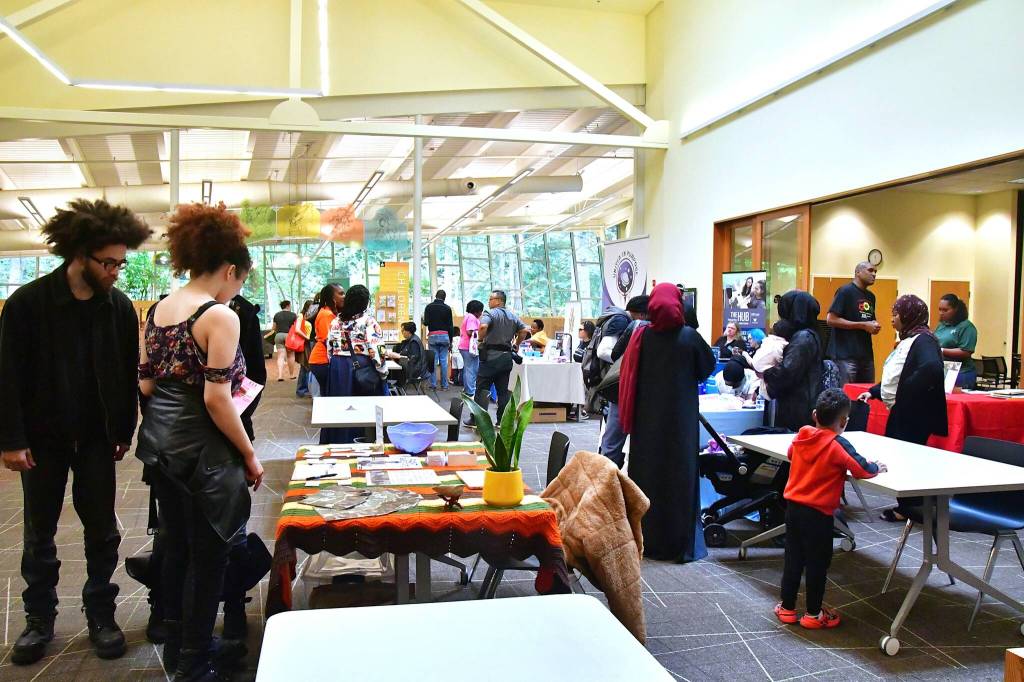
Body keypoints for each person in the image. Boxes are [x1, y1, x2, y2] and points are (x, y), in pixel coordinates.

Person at [0, 199, 151, 666]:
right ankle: (38, 620)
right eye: (107, 263)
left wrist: (124, 428)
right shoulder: (28, 303)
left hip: (96, 439)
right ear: (79, 255)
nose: (115, 272)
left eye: (120, 264)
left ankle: (101, 615)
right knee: (39, 531)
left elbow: (128, 372)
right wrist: (10, 438)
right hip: (41, 440)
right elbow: (6, 374)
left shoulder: (120, 307)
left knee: (102, 530)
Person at [136, 203, 263, 680]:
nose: (238, 290)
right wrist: (249, 456)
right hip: (205, 455)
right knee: (209, 558)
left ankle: (177, 648)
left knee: (176, 547)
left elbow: (146, 385)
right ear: (230, 270)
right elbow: (215, 399)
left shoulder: (159, 310)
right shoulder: (219, 316)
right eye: (241, 281)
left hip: (159, 448)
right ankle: (195, 662)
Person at [617, 283, 715, 562]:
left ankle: (646, 538)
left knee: (647, 476)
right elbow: (706, 368)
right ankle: (679, 542)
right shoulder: (689, 337)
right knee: (679, 477)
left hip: (646, 421)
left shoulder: (641, 338)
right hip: (681, 421)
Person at [775, 389, 885, 629]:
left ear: (815, 414)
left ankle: (787, 608)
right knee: (817, 564)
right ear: (844, 421)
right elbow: (861, 469)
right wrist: (877, 466)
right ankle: (813, 615)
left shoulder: (802, 435)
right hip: (819, 515)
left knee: (793, 559)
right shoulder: (838, 444)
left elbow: (792, 454)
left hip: (793, 509)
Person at [324, 285, 387, 443]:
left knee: (340, 409)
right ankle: (361, 442)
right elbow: (377, 351)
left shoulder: (335, 321)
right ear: (365, 303)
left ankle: (339, 443)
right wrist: (382, 372)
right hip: (361, 367)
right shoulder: (369, 322)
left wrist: (337, 364)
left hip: (338, 368)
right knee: (363, 409)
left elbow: (329, 348)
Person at [763, 291, 823, 432]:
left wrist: (765, 372)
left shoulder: (803, 337)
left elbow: (787, 372)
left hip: (799, 406)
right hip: (801, 402)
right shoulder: (808, 333)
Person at [467, 290, 529, 425]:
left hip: (490, 358)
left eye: (491, 299)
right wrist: (516, 344)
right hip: (506, 359)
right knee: (503, 392)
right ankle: (502, 421)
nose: (488, 302)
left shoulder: (490, 314)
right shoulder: (513, 316)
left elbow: (483, 326)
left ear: (499, 301)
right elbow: (524, 330)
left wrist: (480, 341)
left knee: (482, 390)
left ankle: (477, 420)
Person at [826, 262, 881, 383]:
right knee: (847, 397)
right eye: (870, 270)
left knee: (865, 397)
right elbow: (831, 319)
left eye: (875, 272)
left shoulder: (871, 296)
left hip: (866, 356)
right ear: (858, 272)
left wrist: (874, 326)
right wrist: (863, 325)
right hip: (845, 356)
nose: (874, 274)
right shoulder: (845, 291)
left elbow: (868, 320)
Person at [308, 283, 344, 401]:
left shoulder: (328, 313)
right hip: (321, 361)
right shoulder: (326, 315)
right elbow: (329, 341)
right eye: (341, 294)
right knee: (326, 398)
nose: (344, 296)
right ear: (332, 298)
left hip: (323, 360)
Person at [934, 293, 978, 389]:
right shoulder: (941, 326)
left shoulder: (966, 327)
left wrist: (941, 351)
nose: (941, 313)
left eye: (945, 310)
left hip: (961, 372)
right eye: (940, 309)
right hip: (944, 369)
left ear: (956, 310)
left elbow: (966, 351)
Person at [750, 320, 792, 398]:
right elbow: (781, 361)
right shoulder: (779, 345)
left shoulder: (767, 341)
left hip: (761, 374)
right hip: (767, 382)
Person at [423, 290, 454, 390]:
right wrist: (451, 340)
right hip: (445, 336)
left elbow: (426, 323)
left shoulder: (429, 307)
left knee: (433, 361)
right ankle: (444, 386)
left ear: (435, 296)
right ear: (444, 298)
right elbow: (450, 326)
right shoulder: (447, 308)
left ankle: (433, 385)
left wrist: (424, 319)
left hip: (433, 336)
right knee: (444, 362)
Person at [265, 300, 298, 382]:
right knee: (290, 355)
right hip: (289, 336)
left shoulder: (277, 315)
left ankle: (280, 376)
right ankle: (291, 375)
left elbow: (273, 328)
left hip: (278, 336)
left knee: (280, 356)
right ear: (287, 305)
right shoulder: (293, 315)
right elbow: (296, 328)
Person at [459, 300, 484, 397]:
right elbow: (470, 332)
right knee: (471, 369)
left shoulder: (468, 316)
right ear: (476, 310)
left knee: (468, 369)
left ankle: (467, 390)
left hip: (465, 347)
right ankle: (470, 392)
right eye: (480, 311)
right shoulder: (472, 317)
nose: (481, 313)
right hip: (469, 348)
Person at [294, 300, 315, 397]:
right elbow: (297, 329)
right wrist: (307, 337)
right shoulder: (301, 316)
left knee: (307, 366)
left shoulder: (308, 316)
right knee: (305, 366)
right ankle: (301, 389)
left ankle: (305, 389)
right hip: (306, 343)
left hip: (309, 342)